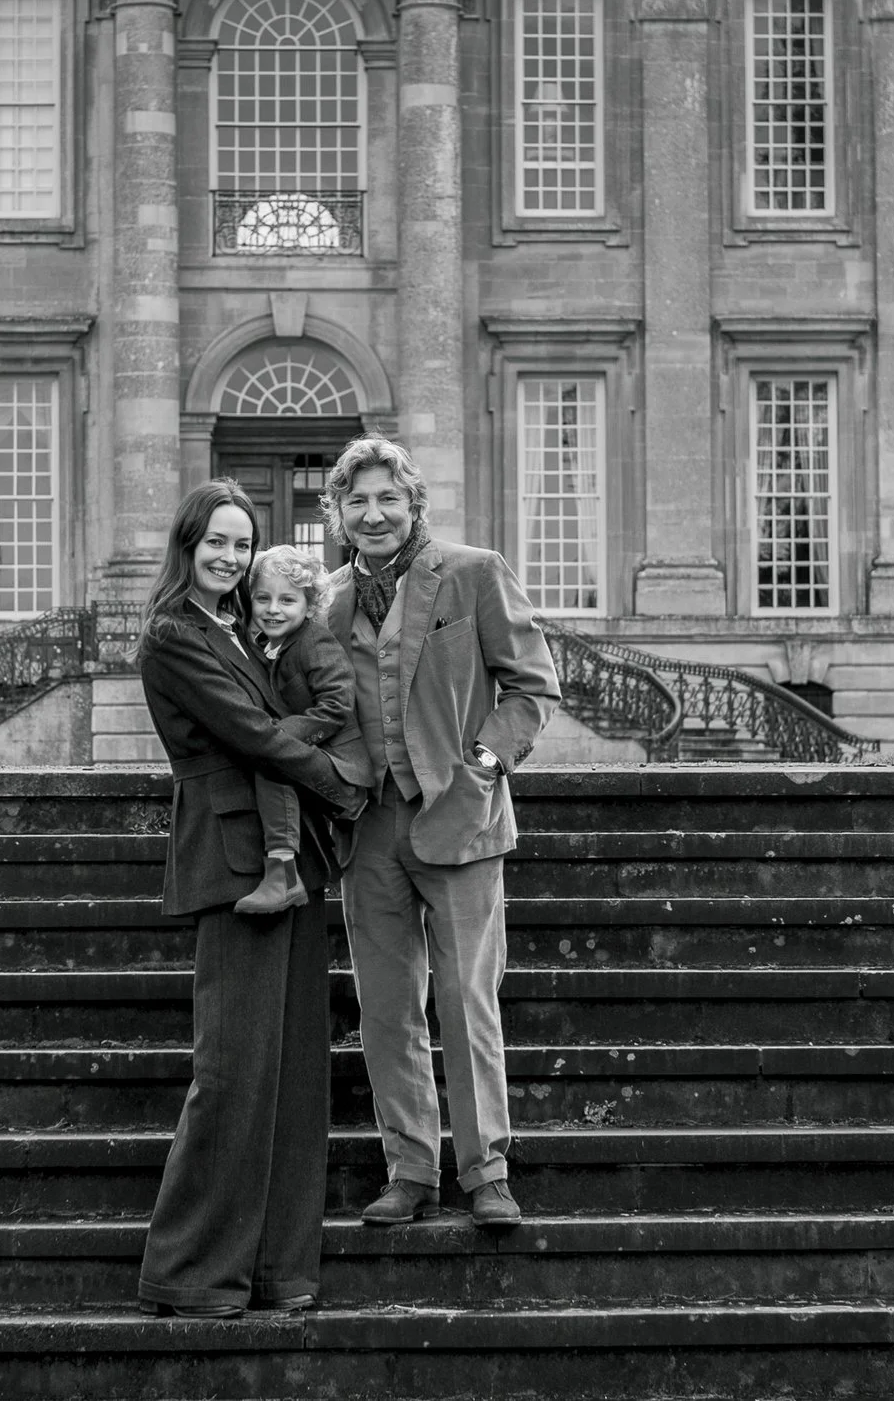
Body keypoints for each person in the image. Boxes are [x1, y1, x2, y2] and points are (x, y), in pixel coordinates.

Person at [132, 481, 371, 1318]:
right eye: (216, 544)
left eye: (243, 544)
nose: (231, 558)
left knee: (295, 1071)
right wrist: (343, 786)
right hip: (236, 861)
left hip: (288, 859)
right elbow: (254, 734)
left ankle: (279, 1271)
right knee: (233, 1070)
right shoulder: (174, 635)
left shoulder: (249, 627)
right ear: (187, 546)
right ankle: (195, 1273)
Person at [323, 435, 559, 1232]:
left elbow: (531, 685)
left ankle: (486, 1170)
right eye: (357, 500)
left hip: (461, 816)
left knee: (465, 1001)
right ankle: (411, 1170)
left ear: (413, 503)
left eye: (388, 497)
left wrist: (487, 761)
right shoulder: (324, 601)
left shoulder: (471, 571)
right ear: (339, 513)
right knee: (387, 1008)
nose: (374, 512)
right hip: (368, 825)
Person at [239, 544, 370, 914]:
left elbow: (337, 706)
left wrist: (280, 735)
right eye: (262, 598)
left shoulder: (316, 642)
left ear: (309, 605)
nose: (273, 609)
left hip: (345, 771)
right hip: (317, 758)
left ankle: (283, 875)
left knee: (272, 755)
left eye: (287, 600)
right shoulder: (266, 645)